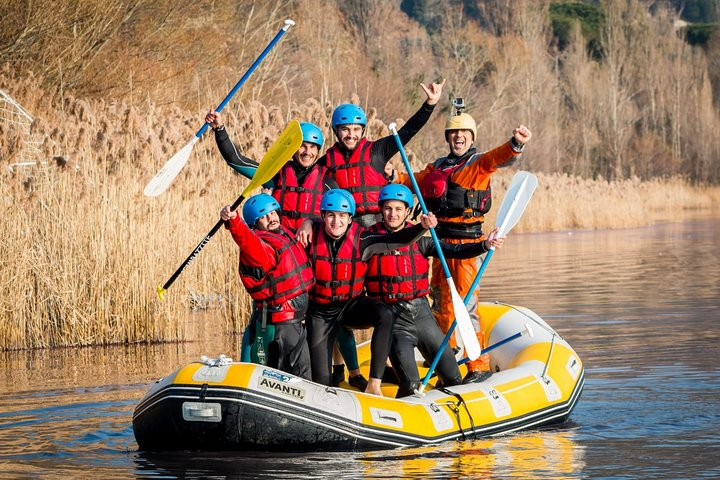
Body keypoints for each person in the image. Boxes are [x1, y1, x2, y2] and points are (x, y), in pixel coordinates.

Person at [397, 103, 532, 383]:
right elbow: (414, 180)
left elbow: (501, 157)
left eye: (463, 134)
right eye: (453, 133)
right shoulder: (438, 166)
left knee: (465, 304)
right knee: (439, 300)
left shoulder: (479, 163)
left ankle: (478, 365)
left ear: (471, 137)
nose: (458, 137)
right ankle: (446, 356)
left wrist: (516, 144)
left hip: (469, 245)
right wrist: (391, 179)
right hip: (440, 243)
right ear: (448, 138)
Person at [365, 184, 505, 397]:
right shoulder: (370, 241)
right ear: (381, 210)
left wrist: (484, 245)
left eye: (398, 209)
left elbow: (456, 250)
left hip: (422, 315)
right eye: (388, 209)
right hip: (394, 320)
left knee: (453, 378)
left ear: (406, 212)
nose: (393, 214)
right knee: (411, 384)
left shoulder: (422, 241)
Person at [296, 189, 436, 396]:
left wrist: (421, 227)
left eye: (343, 216)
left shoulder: (363, 239)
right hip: (320, 313)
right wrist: (307, 221)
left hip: (350, 306)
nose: (337, 221)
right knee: (321, 381)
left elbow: (398, 239)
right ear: (323, 216)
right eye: (331, 215)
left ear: (350, 219)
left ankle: (374, 383)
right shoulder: (307, 237)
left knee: (385, 314)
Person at [319, 80, 446, 228]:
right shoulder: (328, 159)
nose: (351, 135)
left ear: (363, 130)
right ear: (336, 130)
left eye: (356, 129)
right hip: (346, 226)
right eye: (345, 129)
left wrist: (430, 104)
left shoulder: (377, 151)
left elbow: (408, 131)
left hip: (378, 223)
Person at [220, 193, 314, 380]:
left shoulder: (282, 232)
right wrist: (235, 222)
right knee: (299, 375)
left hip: (293, 321)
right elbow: (247, 240)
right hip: (282, 324)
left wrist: (309, 221)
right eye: (263, 217)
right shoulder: (261, 246)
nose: (271, 219)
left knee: (301, 372)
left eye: (272, 213)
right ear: (255, 224)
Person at [205, 111, 338, 231]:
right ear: (293, 148)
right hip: (280, 247)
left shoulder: (327, 183)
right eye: (302, 146)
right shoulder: (275, 175)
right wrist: (219, 128)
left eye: (313, 147)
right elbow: (235, 160)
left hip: (310, 250)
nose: (307, 152)